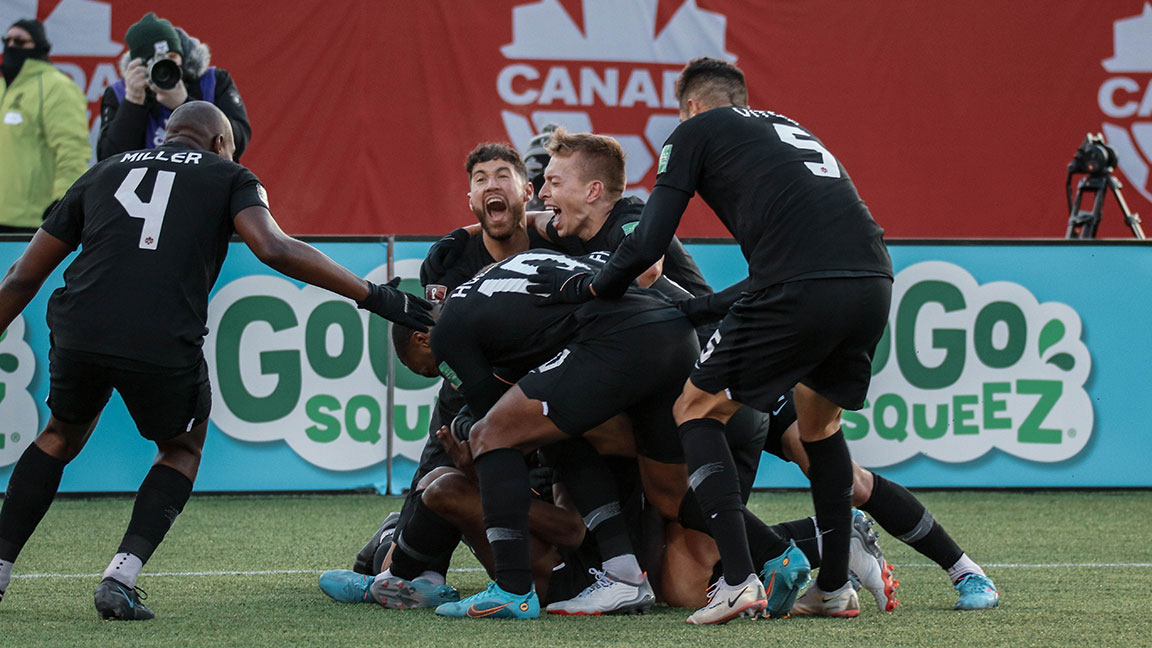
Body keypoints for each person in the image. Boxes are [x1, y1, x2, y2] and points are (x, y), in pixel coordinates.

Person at [0, 101, 433, 620]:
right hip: (159, 334)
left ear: (167, 134)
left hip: (79, 324)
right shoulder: (230, 174)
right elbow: (272, 247)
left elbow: (22, 275)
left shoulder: (103, 170)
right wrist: (375, 296)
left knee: (58, 436)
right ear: (221, 144)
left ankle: (0, 569)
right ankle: (121, 576)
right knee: (181, 447)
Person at [528, 57, 894, 622]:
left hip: (797, 284)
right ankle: (835, 585)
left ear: (691, 106)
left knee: (694, 410)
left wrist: (597, 286)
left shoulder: (694, 130)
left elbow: (649, 239)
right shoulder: (787, 125)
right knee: (819, 428)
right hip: (873, 278)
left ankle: (742, 581)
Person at [97, 12, 250, 162]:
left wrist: (186, 104)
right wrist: (133, 102)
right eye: (155, 61)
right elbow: (109, 161)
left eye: (172, 57)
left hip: (206, 180)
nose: (165, 66)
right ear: (139, 65)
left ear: (183, 58)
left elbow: (238, 140)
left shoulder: (212, 81)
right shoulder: (119, 93)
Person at [0, 19, 91, 233]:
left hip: (31, 220)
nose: (11, 46)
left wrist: (63, 201)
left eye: (20, 41)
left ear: (39, 46)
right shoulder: (3, 87)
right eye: (7, 40)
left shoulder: (57, 87)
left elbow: (72, 150)